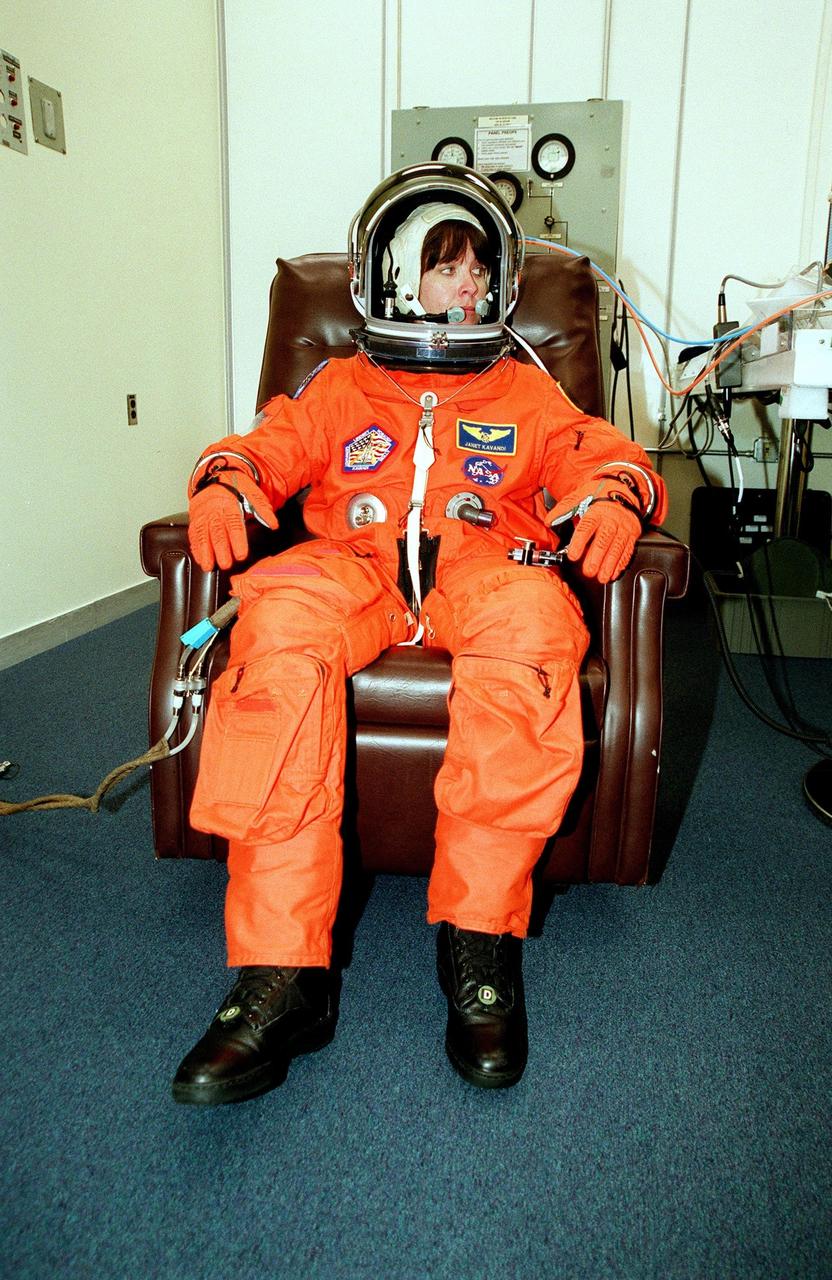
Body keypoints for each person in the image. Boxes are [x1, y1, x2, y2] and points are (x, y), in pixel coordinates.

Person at [172, 163, 667, 1105]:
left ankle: (478, 944)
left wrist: (612, 492)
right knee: (275, 637)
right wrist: (228, 479)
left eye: (482, 272)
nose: (468, 288)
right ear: (395, 280)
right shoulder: (341, 382)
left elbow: (596, 450)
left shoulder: (523, 387)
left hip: (484, 569)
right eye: (449, 269)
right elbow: (268, 442)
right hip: (348, 565)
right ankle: (283, 977)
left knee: (532, 639)